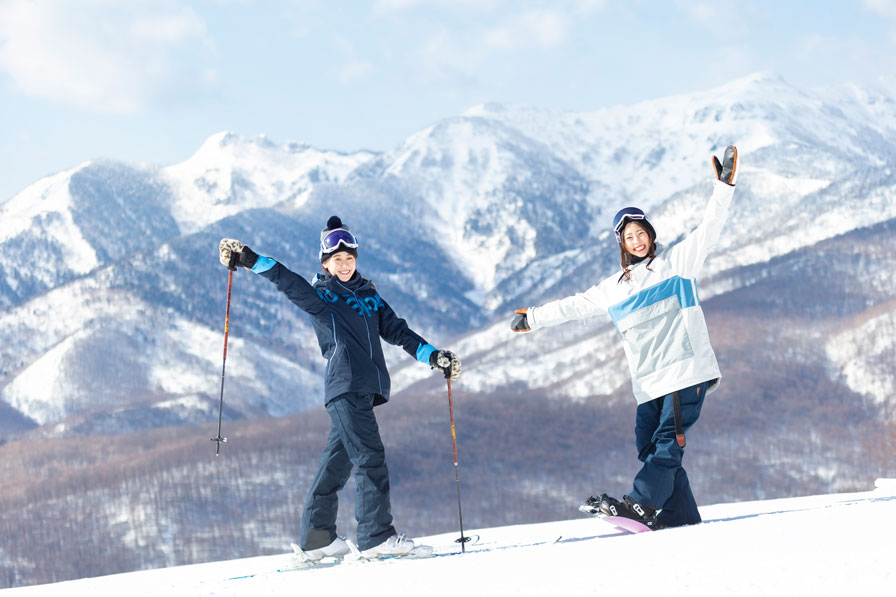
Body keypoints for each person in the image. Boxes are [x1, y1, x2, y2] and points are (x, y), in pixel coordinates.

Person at [510, 146, 738, 530]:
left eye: (641, 233)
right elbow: (575, 306)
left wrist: (724, 188)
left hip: (686, 371)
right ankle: (680, 514)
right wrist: (533, 318)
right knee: (649, 446)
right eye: (629, 237)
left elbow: (708, 230)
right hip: (649, 381)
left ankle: (641, 504)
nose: (636, 241)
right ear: (622, 244)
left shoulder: (676, 265)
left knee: (668, 442)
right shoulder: (616, 287)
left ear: (651, 235)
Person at [218, 215, 461, 559]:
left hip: (359, 390)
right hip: (345, 387)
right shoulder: (323, 298)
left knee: (337, 463)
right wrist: (251, 258)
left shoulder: (368, 296)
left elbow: (398, 332)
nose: (344, 265)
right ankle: (376, 536)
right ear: (326, 263)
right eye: (337, 260)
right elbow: (288, 281)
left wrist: (434, 356)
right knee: (370, 457)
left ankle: (318, 539)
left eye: (349, 259)